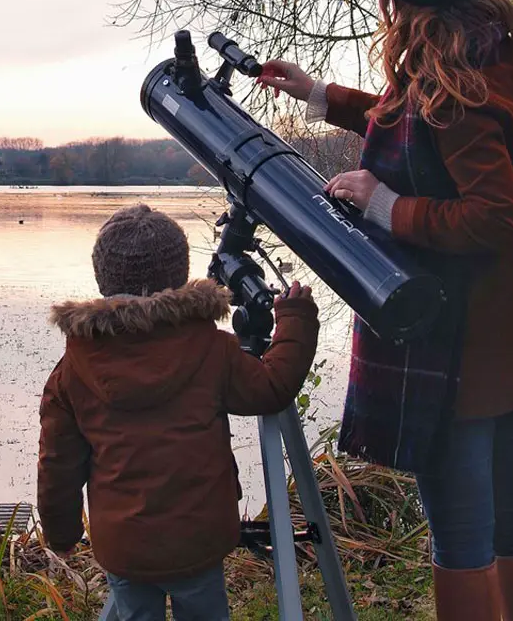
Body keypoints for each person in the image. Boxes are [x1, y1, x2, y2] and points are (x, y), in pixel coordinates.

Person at [257, 0, 513, 621]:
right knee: (510, 526)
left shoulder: (453, 85)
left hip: (466, 365)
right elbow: (414, 117)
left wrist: (384, 205)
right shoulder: (491, 54)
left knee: (463, 544)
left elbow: (492, 216)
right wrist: (320, 96)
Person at [37, 204, 320, 621]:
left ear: (102, 277)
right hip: (199, 539)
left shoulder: (74, 367)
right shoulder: (211, 347)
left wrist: (62, 533)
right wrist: (293, 319)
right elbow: (272, 388)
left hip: (125, 544)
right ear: (177, 274)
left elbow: (57, 465)